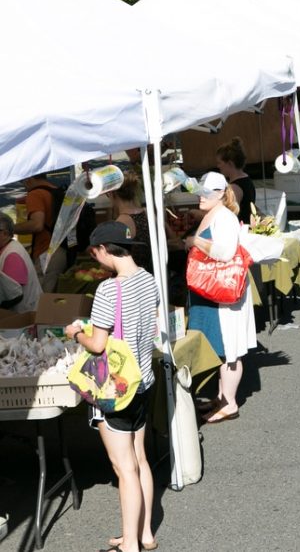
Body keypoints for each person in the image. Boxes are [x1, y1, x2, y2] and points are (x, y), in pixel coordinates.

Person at [63, 222, 160, 552]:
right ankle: (144, 533)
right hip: (144, 380)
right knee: (140, 459)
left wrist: (75, 332)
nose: (95, 258)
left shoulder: (108, 290)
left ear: (105, 250)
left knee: (123, 468)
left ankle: (129, 543)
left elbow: (97, 344)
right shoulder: (149, 280)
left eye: (94, 252)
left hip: (117, 389)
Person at [184, 172, 257, 423]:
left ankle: (230, 403)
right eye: (199, 191)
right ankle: (221, 398)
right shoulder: (213, 214)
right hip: (213, 292)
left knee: (230, 350)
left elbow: (225, 252)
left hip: (223, 293)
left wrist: (195, 241)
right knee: (223, 349)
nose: (200, 196)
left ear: (219, 194)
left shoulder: (224, 217)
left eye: (206, 192)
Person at [14, 172, 67, 291]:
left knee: (42, 300)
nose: (24, 186)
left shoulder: (35, 194)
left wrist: (10, 228)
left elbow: (37, 225)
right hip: (63, 248)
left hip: (47, 252)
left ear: (29, 178)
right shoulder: (56, 191)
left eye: (23, 181)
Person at [109, 171, 153, 273]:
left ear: (112, 194)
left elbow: (117, 258)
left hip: (132, 278)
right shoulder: (147, 212)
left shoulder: (121, 222)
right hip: (151, 274)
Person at [0, 213, 42, 313]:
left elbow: (12, 295)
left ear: (4, 234)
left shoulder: (12, 255)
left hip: (26, 316)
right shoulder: (8, 246)